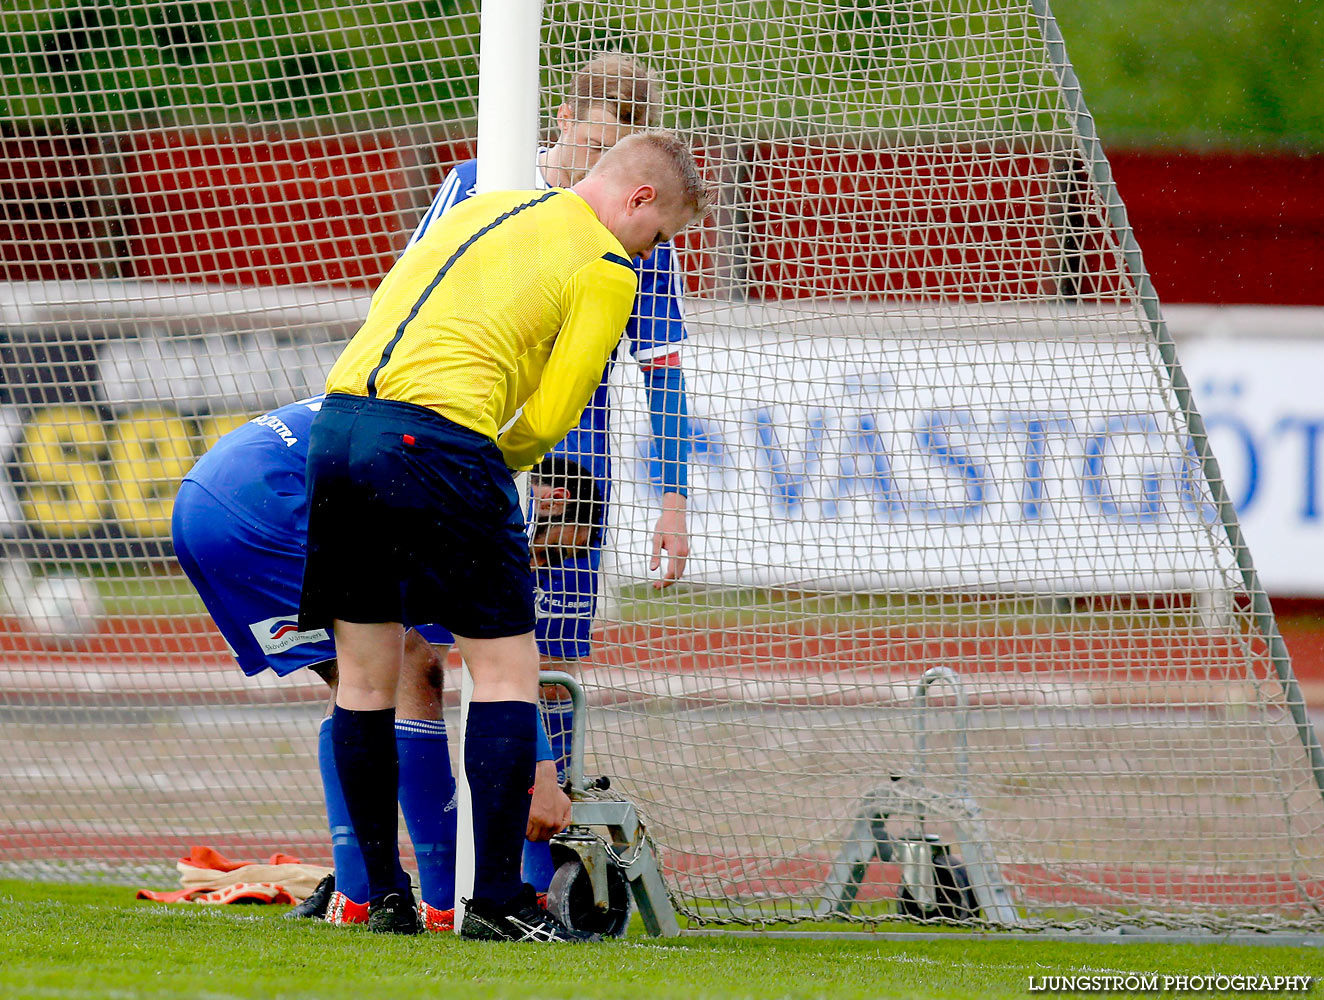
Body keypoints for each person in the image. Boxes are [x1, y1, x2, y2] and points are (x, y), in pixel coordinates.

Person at [298, 130, 712, 939]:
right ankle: (497, 901)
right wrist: (494, 462)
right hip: (439, 441)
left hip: (338, 427)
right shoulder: (606, 267)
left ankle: (381, 898)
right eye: (658, 234)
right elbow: (557, 411)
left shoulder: (482, 206)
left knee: (366, 675)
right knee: (505, 668)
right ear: (637, 201)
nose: (651, 250)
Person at [410, 54, 695, 891]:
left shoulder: (638, 220)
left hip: (570, 465)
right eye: (594, 141)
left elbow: (665, 372)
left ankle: (529, 879)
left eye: (619, 150)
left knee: (552, 666)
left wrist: (675, 496)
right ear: (564, 118)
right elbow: (409, 295)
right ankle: (434, 878)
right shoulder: (475, 183)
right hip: (453, 441)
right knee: (422, 654)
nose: (601, 164)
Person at [171, 395, 598, 930]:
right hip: (267, 505)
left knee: (359, 677)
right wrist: (544, 776)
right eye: (554, 549)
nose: (540, 561)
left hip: (206, 503)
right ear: (547, 502)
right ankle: (445, 902)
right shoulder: (472, 477)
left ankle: (357, 895)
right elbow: (493, 670)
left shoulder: (431, 423)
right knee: (413, 666)